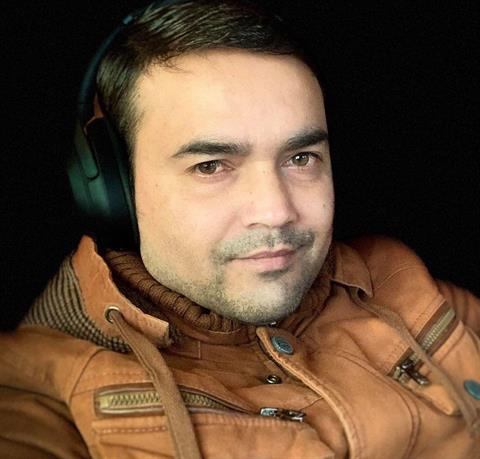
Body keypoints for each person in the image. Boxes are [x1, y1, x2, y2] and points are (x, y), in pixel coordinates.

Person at [1, 1, 479, 457]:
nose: (276, 211)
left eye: (301, 158)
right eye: (211, 166)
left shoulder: (397, 280)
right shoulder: (38, 393)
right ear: (113, 191)